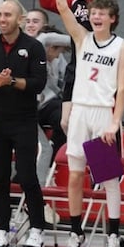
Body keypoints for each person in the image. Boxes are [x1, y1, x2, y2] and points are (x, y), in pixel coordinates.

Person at [53, 0, 124, 247]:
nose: (96, 16)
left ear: (112, 19)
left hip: (102, 116)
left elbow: (123, 89)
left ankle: (113, 238)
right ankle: (76, 235)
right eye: (93, 12)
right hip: (80, 114)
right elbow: (60, 6)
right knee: (74, 176)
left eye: (102, 13)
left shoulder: (121, 47)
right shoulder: (82, 39)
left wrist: (115, 121)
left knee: (108, 179)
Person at [0, 0, 48, 247]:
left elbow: (38, 83)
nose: (2, 18)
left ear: (19, 19)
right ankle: (1, 231)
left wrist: (10, 81)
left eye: (7, 15)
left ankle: (37, 229)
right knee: (0, 178)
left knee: (28, 176)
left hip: (24, 121)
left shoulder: (34, 47)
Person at [36, 0, 111, 132]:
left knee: (93, 129)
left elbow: (95, 12)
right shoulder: (77, 1)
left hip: (96, 68)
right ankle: (68, 158)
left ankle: (98, 159)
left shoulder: (107, 7)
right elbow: (47, 2)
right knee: (66, 124)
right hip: (75, 66)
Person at [35, 30, 71, 170]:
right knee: (46, 150)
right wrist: (80, 38)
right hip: (33, 108)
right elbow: (44, 38)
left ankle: (101, 184)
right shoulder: (36, 52)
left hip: (97, 114)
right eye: (58, 51)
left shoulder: (117, 48)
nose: (58, 56)